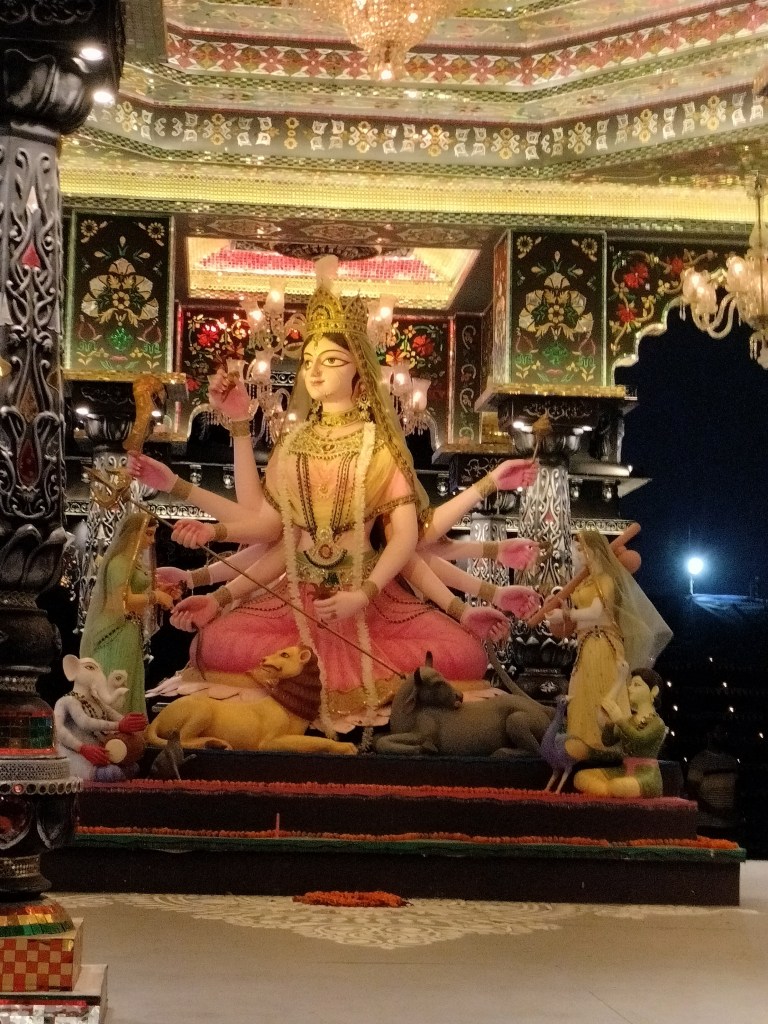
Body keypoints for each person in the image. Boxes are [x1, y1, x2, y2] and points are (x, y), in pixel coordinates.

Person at [131, 266, 541, 731]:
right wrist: (216, 554)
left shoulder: (380, 446)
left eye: (330, 360)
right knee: (219, 643)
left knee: (459, 653)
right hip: (293, 602)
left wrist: (363, 594)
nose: (314, 370)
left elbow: (405, 540)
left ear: (359, 373)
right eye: (309, 360)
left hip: (373, 601)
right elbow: (273, 531)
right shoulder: (293, 444)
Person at [547, 530, 671, 761]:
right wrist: (562, 615)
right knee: (581, 689)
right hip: (585, 642)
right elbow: (579, 617)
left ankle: (602, 744)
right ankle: (581, 741)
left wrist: (567, 614)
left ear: (593, 551)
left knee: (600, 687)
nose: (577, 554)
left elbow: (596, 612)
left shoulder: (605, 580)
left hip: (602, 642)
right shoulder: (584, 582)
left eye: (580, 549)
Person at [80, 512, 174, 713]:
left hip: (130, 631)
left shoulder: (133, 563)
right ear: (133, 534)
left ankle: (126, 728)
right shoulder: (119, 563)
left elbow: (136, 593)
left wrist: (161, 591)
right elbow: (122, 602)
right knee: (117, 686)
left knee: (128, 684)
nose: (152, 541)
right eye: (148, 534)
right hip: (116, 634)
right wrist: (156, 597)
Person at [573, 668, 667, 798]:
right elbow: (608, 741)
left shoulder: (657, 723)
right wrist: (610, 723)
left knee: (617, 786)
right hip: (623, 771)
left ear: (654, 691)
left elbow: (639, 739)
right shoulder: (629, 720)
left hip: (646, 775)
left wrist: (619, 720)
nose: (630, 688)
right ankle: (608, 792)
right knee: (580, 777)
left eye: (637, 685)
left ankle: (609, 791)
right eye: (630, 685)